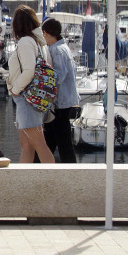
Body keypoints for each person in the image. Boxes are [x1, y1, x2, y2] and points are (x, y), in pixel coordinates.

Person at [7, 5, 55, 164]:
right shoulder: (40, 43)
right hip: (34, 97)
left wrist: (15, 89)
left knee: (39, 144)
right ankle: (23, 181)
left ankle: (53, 183)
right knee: (27, 144)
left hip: (26, 97)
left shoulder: (26, 42)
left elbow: (28, 71)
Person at [41, 18, 80, 163]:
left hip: (60, 102)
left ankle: (70, 169)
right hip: (64, 100)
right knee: (51, 137)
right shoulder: (64, 47)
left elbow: (59, 75)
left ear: (45, 33)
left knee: (63, 140)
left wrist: (43, 84)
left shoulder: (56, 50)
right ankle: (42, 165)